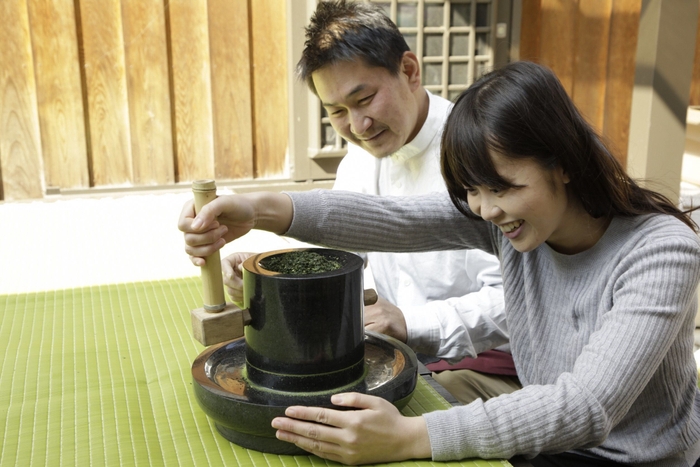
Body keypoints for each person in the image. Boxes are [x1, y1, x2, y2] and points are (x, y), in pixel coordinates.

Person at [179, 61, 700, 466]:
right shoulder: (505, 219)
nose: (485, 209)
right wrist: (256, 210)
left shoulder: (659, 250)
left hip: (629, 459)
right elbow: (392, 219)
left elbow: (588, 406)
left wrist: (411, 436)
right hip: (543, 440)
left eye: (503, 187)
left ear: (562, 163)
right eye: (471, 191)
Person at [220, 0, 519, 404]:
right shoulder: (362, 158)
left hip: (483, 369)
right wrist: (271, 280)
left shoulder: (476, 151)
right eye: (337, 112)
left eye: (365, 100)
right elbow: (341, 262)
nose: (358, 126)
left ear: (410, 71)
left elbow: (516, 300)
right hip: (401, 355)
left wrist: (410, 323)